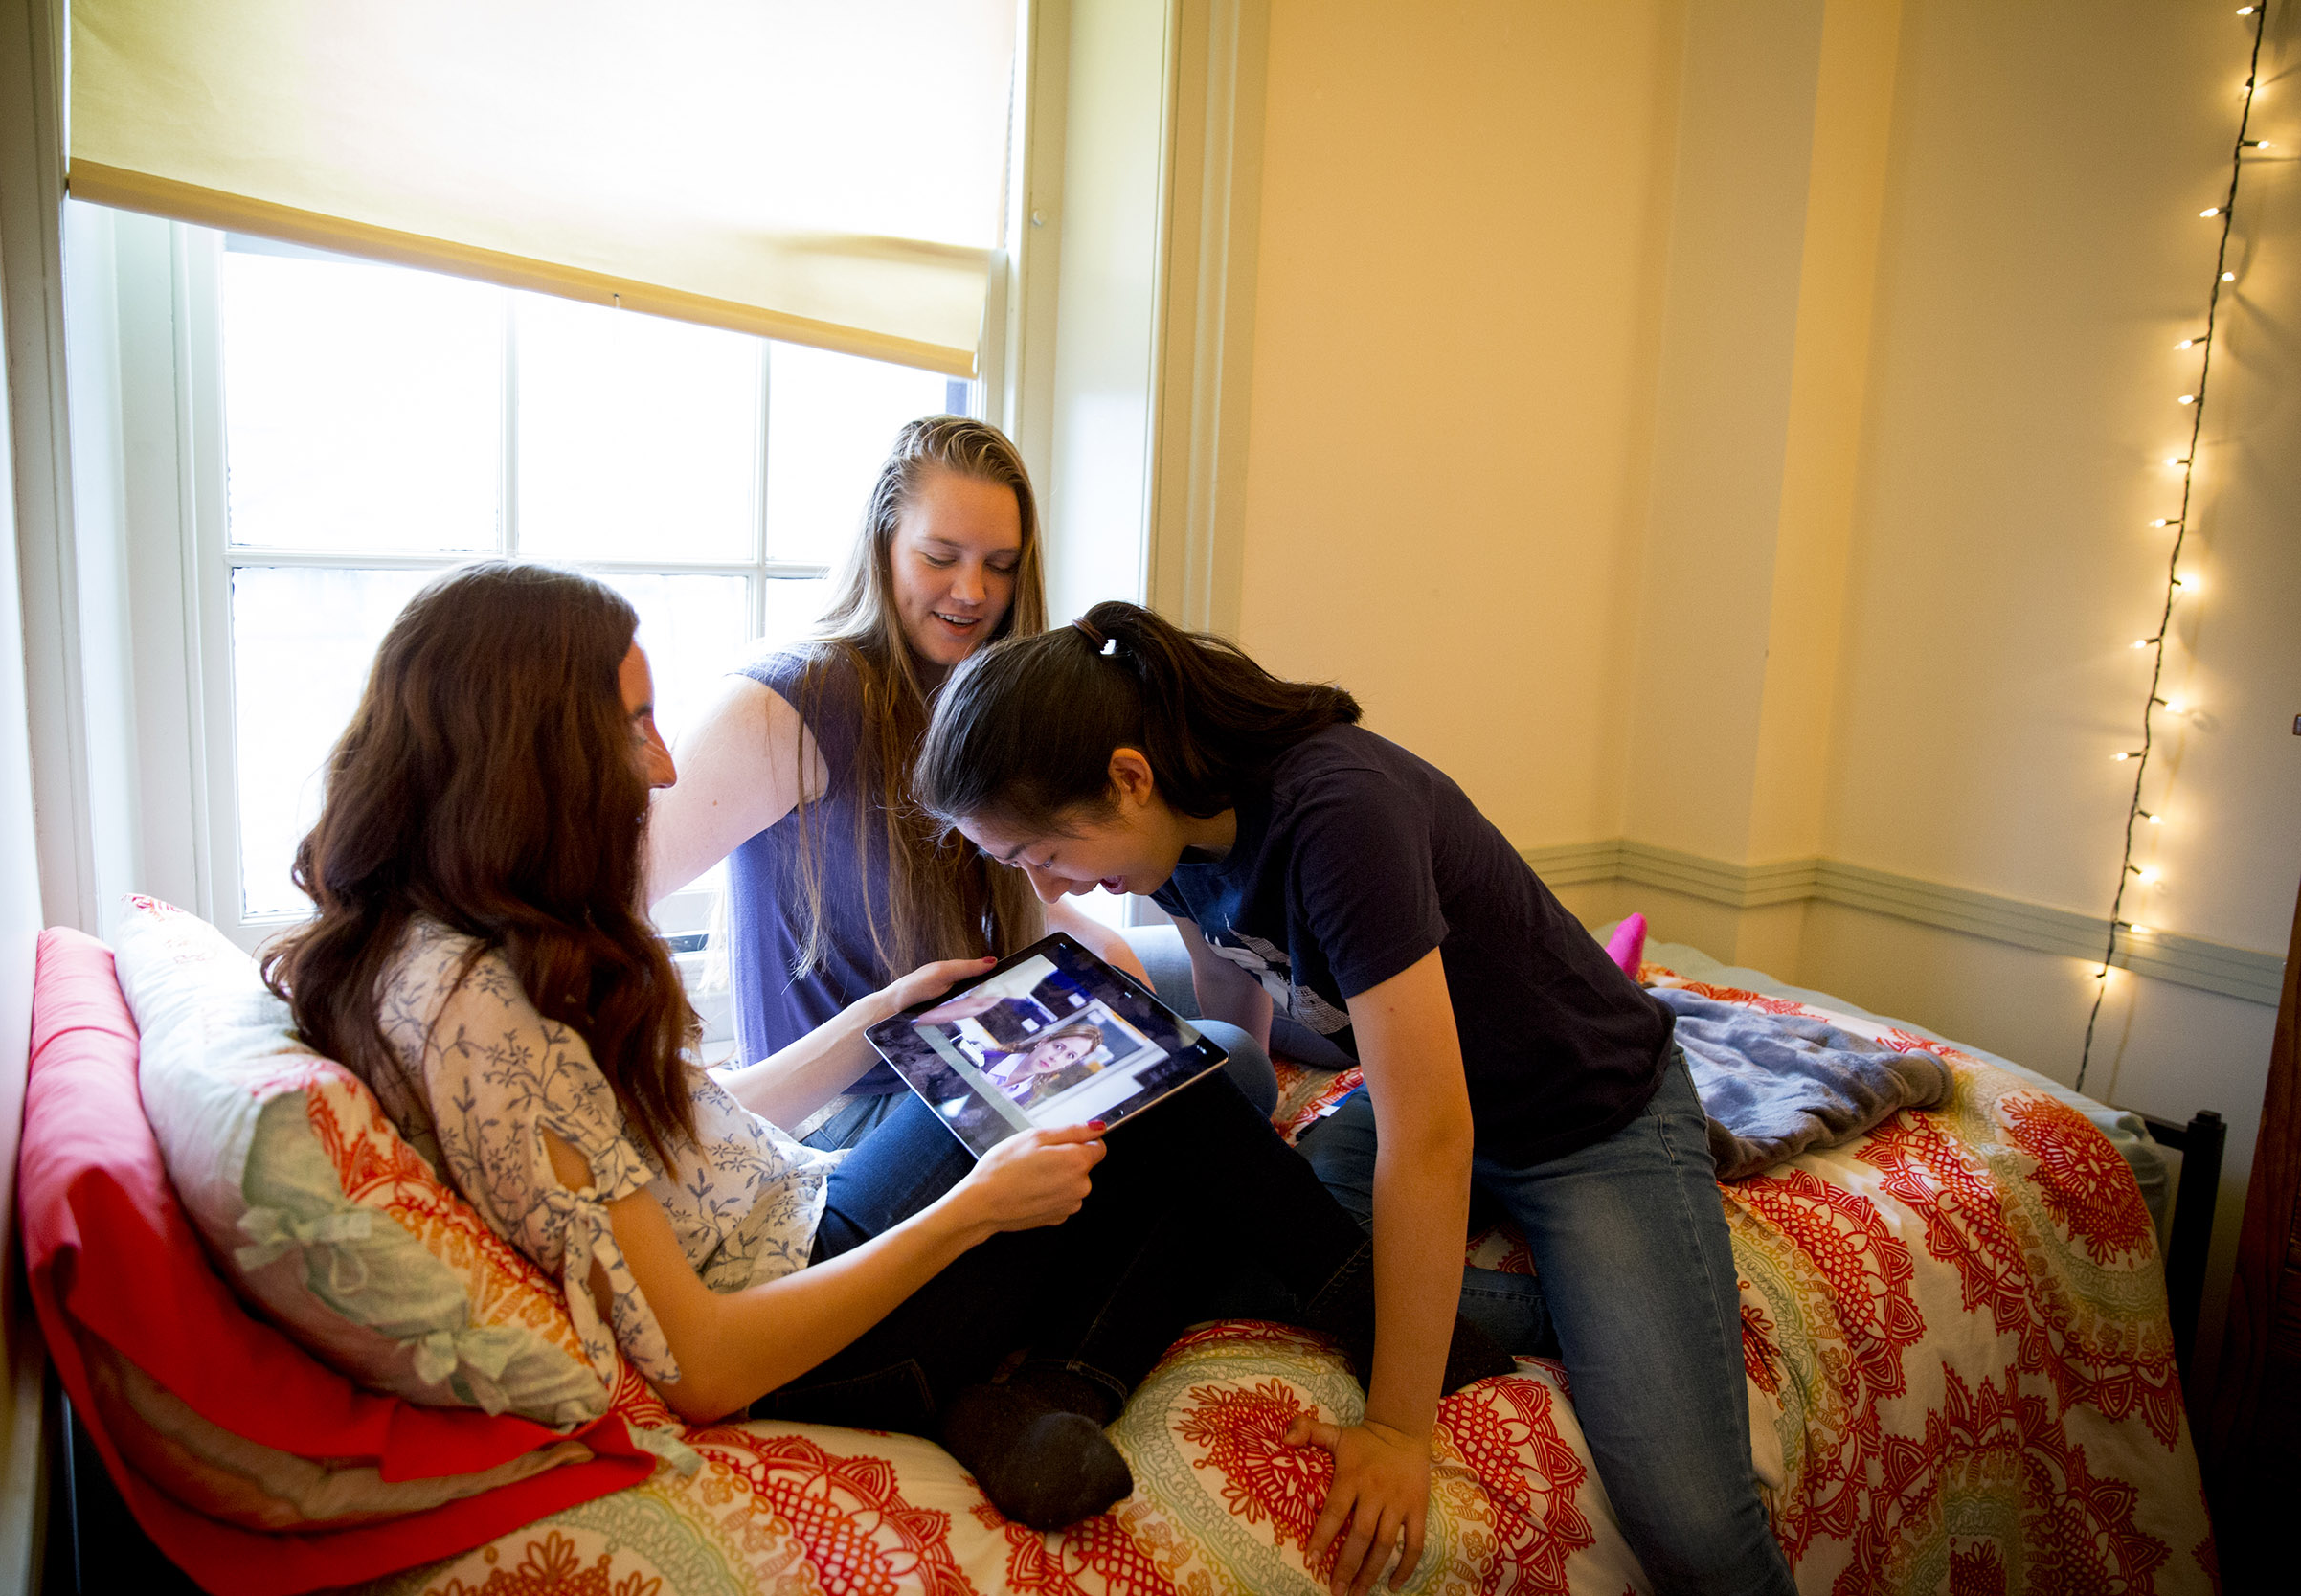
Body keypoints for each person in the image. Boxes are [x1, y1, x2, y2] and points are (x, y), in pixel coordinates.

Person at [262, 563, 1418, 1533]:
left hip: (809, 1211)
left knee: (1144, 1067)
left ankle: (1034, 1392)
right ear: (525, 751)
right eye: (631, 725)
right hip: (820, 1312)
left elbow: (694, 1126)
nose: (662, 766)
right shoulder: (480, 1010)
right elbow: (704, 1363)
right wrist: (976, 1203)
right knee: (1174, 1089)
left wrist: (879, 1024)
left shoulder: (439, 940)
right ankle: (1420, 1339)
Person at [912, 600, 1797, 1596]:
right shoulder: (1171, 829)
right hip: (1420, 1090)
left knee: (1692, 1527)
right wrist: (1235, 1143)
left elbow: (1430, 1134)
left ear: (1127, 777)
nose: (1061, 883)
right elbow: (1237, 981)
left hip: (1584, 1120)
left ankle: (1609, 1316)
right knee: (1251, 1242)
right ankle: (1576, 1309)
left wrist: (1393, 1427)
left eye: (1045, 853)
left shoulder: (1337, 815)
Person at [643, 416, 1278, 1148]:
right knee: (1236, 1066)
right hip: (866, 1097)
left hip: (979, 1026)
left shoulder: (981, 696)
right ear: (883, 544)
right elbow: (603, 893)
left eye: (1001, 565)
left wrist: (1093, 938)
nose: (972, 592)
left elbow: (991, 884)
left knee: (1245, 987)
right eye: (940, 556)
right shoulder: (783, 705)